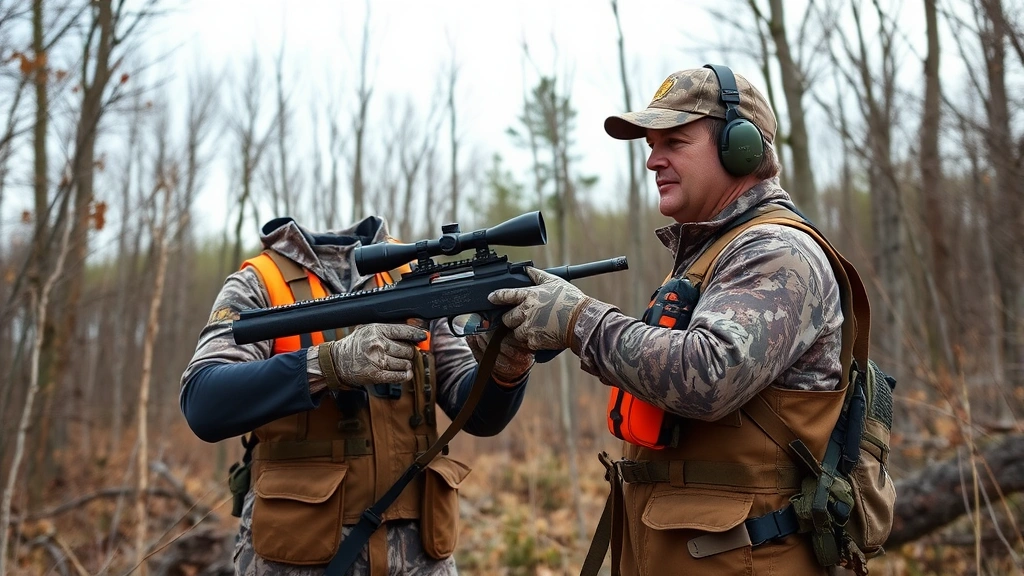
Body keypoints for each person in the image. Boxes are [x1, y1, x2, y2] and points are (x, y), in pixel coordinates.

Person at [489, 65, 846, 574]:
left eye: (674, 142)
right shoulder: (716, 253)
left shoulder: (777, 251)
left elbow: (709, 373)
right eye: (651, 145)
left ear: (739, 148)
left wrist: (578, 320)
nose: (653, 161)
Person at [180, 214, 536, 576]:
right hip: (295, 559)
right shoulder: (260, 281)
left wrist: (504, 369)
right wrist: (330, 364)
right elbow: (204, 399)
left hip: (422, 559)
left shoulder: (412, 274)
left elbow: (476, 412)